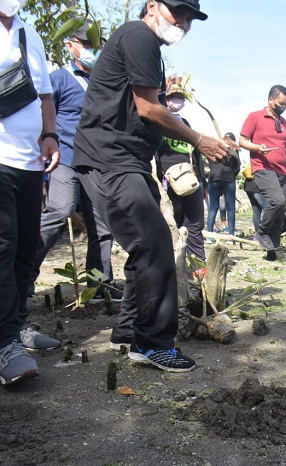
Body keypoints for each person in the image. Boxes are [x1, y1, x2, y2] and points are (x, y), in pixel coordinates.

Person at [73, 0, 229, 372]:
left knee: (144, 246)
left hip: (126, 159)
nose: (184, 24)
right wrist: (198, 139)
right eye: (178, 14)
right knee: (154, 241)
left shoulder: (147, 47)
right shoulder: (139, 34)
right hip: (109, 157)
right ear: (152, 6)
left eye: (191, 18)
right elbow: (148, 108)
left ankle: (129, 331)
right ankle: (153, 342)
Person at [24, 23, 122, 353]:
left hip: (94, 162)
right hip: (64, 157)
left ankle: (100, 283)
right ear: (71, 45)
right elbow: (42, 113)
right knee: (61, 209)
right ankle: (24, 276)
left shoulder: (101, 81)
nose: (93, 49)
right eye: (85, 43)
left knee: (102, 225)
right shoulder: (59, 78)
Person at [0, 0, 60, 384]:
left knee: (24, 246)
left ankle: (17, 322)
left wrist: (50, 135)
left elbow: (45, 95)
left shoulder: (29, 33)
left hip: (30, 162)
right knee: (2, 246)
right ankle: (5, 344)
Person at [239, 85, 286, 259]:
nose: (284, 107)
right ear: (271, 100)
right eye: (281, 103)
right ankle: (262, 231)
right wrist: (258, 147)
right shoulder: (255, 117)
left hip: (282, 171)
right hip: (263, 167)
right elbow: (242, 140)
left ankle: (273, 250)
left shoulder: (283, 122)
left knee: (280, 214)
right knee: (278, 201)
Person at [156, 76, 207, 261]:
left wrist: (203, 182)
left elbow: (196, 151)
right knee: (172, 224)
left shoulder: (184, 124)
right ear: (164, 98)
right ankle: (173, 267)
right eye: (172, 97)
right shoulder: (157, 123)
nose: (176, 101)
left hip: (190, 180)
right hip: (167, 182)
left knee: (195, 224)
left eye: (180, 97)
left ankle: (198, 268)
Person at [206, 132, 239, 238]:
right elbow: (237, 166)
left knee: (213, 208)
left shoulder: (215, 146)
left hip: (214, 178)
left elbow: (210, 162)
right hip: (229, 179)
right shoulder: (233, 148)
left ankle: (210, 236)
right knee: (231, 208)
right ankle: (231, 236)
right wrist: (232, 174)